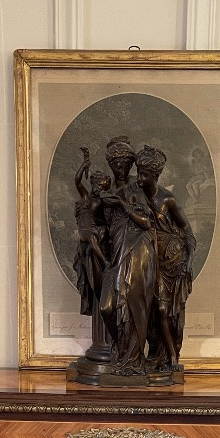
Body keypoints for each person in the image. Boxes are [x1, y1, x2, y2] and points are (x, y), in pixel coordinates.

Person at [98, 136, 158, 375]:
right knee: (107, 307)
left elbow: (146, 222)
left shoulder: (135, 187)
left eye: (124, 163)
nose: (120, 167)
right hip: (114, 252)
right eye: (115, 163)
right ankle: (121, 349)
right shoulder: (104, 188)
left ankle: (132, 358)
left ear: (131, 164)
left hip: (137, 250)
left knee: (133, 304)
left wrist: (122, 205)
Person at [135, 144, 196, 370]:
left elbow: (187, 231)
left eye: (144, 175)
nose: (139, 179)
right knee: (152, 311)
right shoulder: (135, 196)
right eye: (138, 173)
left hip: (172, 262)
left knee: (168, 313)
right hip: (150, 263)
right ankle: (155, 355)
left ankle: (170, 358)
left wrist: (188, 263)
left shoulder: (167, 199)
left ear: (155, 175)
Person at [72, 147, 111, 322]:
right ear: (92, 184)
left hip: (94, 231)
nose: (98, 190)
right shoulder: (86, 197)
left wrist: (104, 229)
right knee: (92, 240)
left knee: (96, 236)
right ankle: (105, 262)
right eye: (96, 186)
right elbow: (77, 180)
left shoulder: (103, 202)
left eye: (102, 188)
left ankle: (105, 263)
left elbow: (107, 221)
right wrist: (84, 164)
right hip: (85, 233)